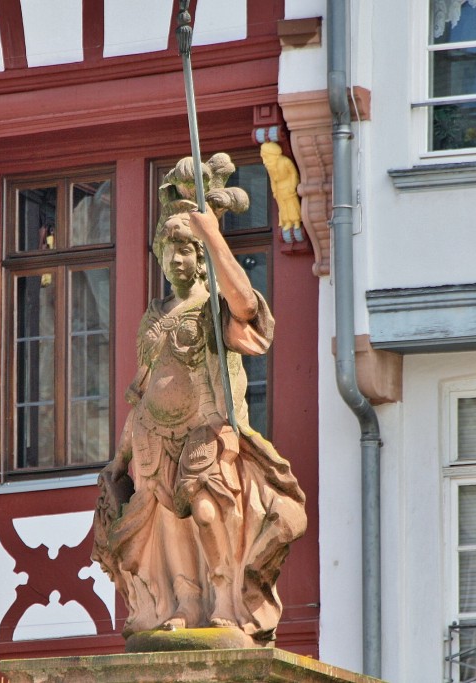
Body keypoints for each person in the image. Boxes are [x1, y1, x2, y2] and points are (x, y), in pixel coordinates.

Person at [92, 155, 306, 646]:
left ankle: (226, 598)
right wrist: (121, 455)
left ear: (202, 258)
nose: (177, 260)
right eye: (170, 251)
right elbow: (141, 392)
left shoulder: (213, 309)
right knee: (166, 524)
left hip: (205, 429)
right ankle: (187, 602)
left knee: (208, 512)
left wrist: (213, 235)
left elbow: (248, 306)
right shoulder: (153, 317)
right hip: (152, 434)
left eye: (187, 251)